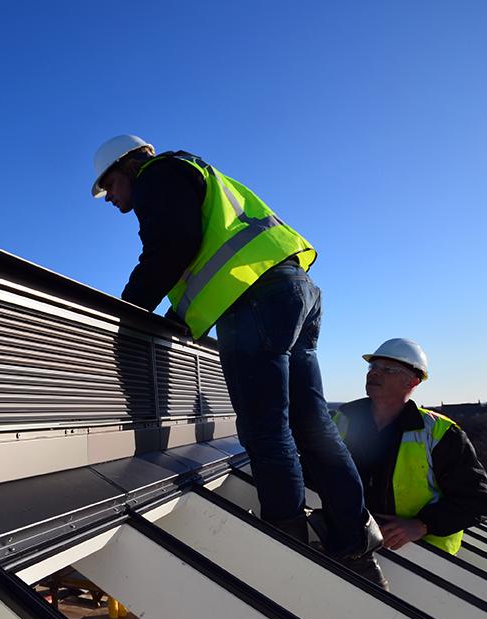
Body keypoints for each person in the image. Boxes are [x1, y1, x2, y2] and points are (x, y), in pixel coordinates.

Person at [91, 135, 384, 582]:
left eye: (108, 185)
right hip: (294, 289)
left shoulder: (158, 176)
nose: (109, 198)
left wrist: (127, 310)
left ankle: (287, 547)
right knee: (313, 424)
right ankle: (356, 541)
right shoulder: (196, 173)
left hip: (255, 301)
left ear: (127, 165)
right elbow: (195, 246)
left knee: (266, 431)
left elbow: (171, 246)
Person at [331, 338, 487, 555]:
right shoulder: (340, 420)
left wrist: (421, 525)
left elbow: (477, 500)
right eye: (373, 367)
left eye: (388, 369)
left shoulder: (441, 433)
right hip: (347, 543)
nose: (374, 373)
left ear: (412, 382)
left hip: (421, 557)